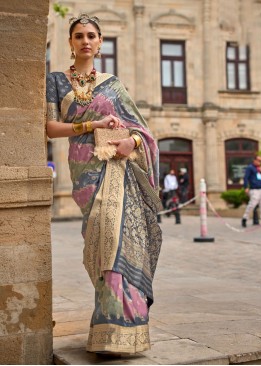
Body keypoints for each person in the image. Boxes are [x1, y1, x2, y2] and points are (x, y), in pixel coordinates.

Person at [46, 13, 162, 355]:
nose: (85, 40)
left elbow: (143, 131)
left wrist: (133, 144)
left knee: (116, 237)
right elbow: (51, 129)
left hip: (116, 168)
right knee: (98, 242)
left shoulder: (113, 84)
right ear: (70, 42)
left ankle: (120, 328)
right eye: (79, 35)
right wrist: (91, 124)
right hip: (84, 172)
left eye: (91, 35)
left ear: (100, 42)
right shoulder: (55, 80)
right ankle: (109, 322)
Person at [241, 154, 261, 227]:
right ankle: (245, 218)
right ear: (254, 160)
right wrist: (246, 187)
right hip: (254, 189)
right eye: (258, 161)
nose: (259, 162)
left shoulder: (260, 168)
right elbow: (246, 177)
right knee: (252, 204)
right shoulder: (250, 168)